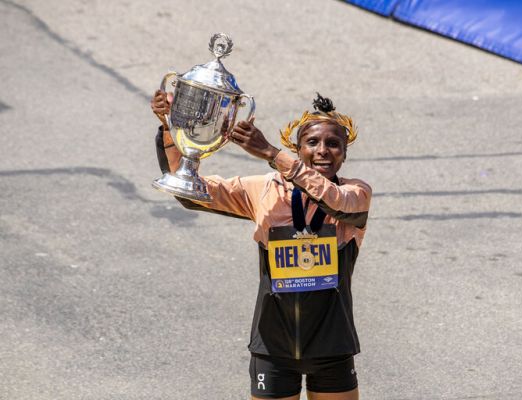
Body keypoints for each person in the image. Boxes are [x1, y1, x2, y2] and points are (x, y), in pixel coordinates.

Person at [151, 91, 371, 400]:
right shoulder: (265, 189)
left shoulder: (355, 194)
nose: (323, 151)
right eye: (312, 143)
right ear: (298, 148)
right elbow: (189, 192)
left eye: (333, 144)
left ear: (345, 154)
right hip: (272, 345)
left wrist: (271, 153)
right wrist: (169, 127)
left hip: (332, 344)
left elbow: (335, 200)